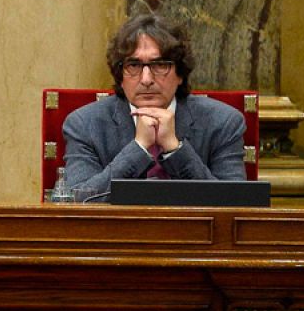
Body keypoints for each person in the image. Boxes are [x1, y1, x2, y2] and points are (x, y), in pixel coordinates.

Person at [63, 13, 247, 202]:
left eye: (160, 65)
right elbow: (76, 202)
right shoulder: (84, 124)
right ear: (120, 76)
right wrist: (139, 149)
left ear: (180, 74)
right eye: (133, 65)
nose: (146, 79)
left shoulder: (223, 122)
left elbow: (236, 205)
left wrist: (175, 150)